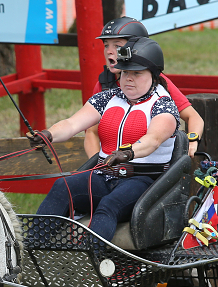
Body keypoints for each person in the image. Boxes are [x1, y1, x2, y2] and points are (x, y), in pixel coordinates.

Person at [27, 37, 180, 243]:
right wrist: (48, 135)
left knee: (109, 206)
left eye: (137, 73)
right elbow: (72, 124)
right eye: (125, 72)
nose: (128, 78)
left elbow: (152, 140)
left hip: (144, 183)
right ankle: (31, 251)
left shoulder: (163, 105)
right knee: (63, 186)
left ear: (153, 75)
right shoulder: (107, 98)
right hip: (105, 176)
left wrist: (127, 153)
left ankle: (90, 263)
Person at [84, 17, 203, 159]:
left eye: (117, 46)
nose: (109, 51)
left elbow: (193, 117)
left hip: (149, 165)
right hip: (112, 167)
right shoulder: (104, 84)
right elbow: (91, 132)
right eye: (106, 45)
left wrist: (192, 141)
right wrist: (98, 167)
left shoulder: (157, 82)